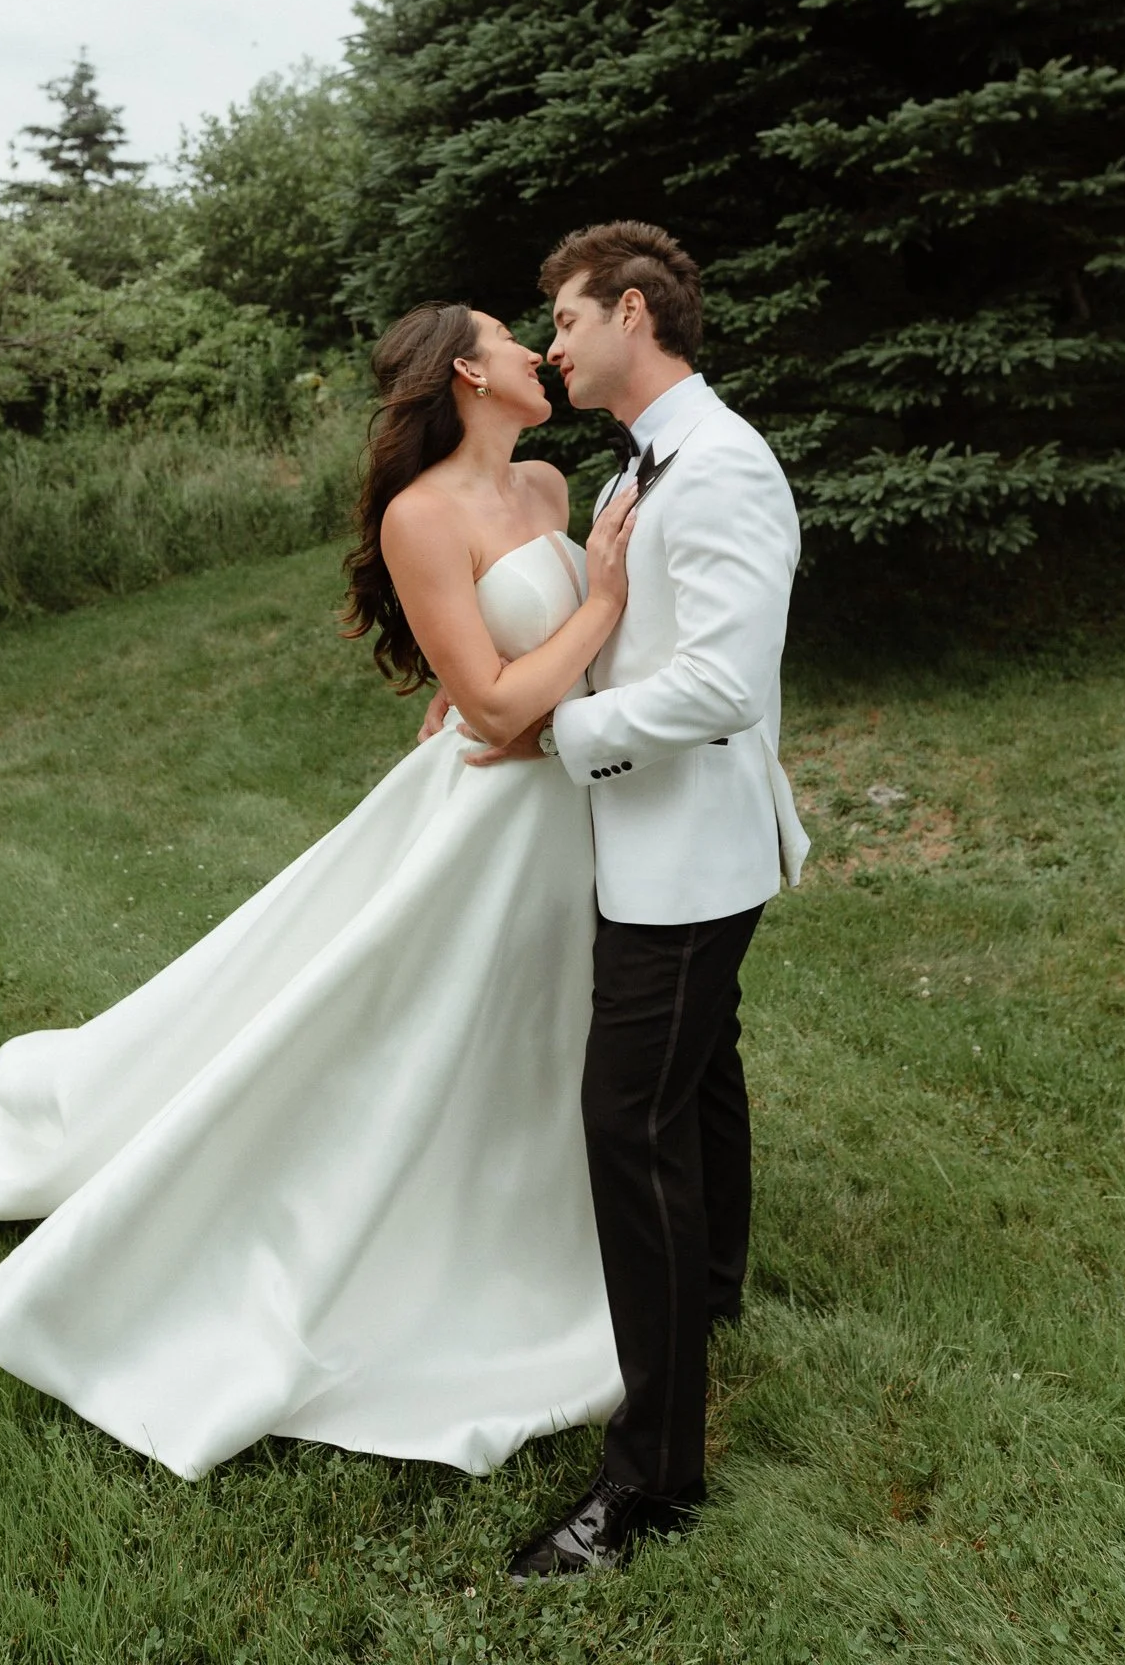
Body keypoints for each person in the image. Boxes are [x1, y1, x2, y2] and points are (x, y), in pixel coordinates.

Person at [0, 300, 639, 1484]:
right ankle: (117, 1136)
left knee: (534, 1033)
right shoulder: (420, 515)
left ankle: (532, 1229)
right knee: (381, 1024)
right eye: (516, 337)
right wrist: (577, 625)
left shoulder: (554, 489)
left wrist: (528, 681)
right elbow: (503, 702)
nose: (537, 353)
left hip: (567, 812)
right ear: (468, 369)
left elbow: (526, 681)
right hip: (493, 813)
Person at [421, 221, 809, 1579]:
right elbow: (620, 639)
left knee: (625, 1120)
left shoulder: (722, 471)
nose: (552, 346)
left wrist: (556, 741)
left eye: (568, 322)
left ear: (631, 313)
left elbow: (720, 688)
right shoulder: (634, 471)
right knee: (697, 1082)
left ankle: (649, 1485)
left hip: (685, 859)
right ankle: (704, 1299)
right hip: (653, 843)